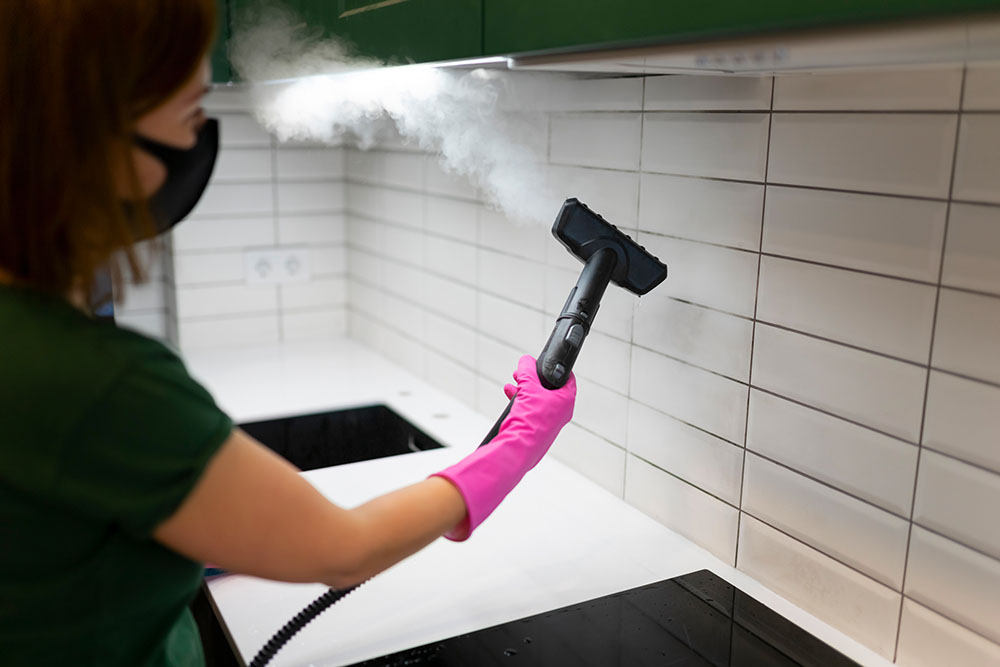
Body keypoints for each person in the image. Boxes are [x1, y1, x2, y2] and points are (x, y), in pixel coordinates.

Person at [0, 2, 577, 665]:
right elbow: (343, 548)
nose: (201, 137)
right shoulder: (99, 381)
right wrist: (515, 446)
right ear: (92, 136)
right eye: (191, 114)